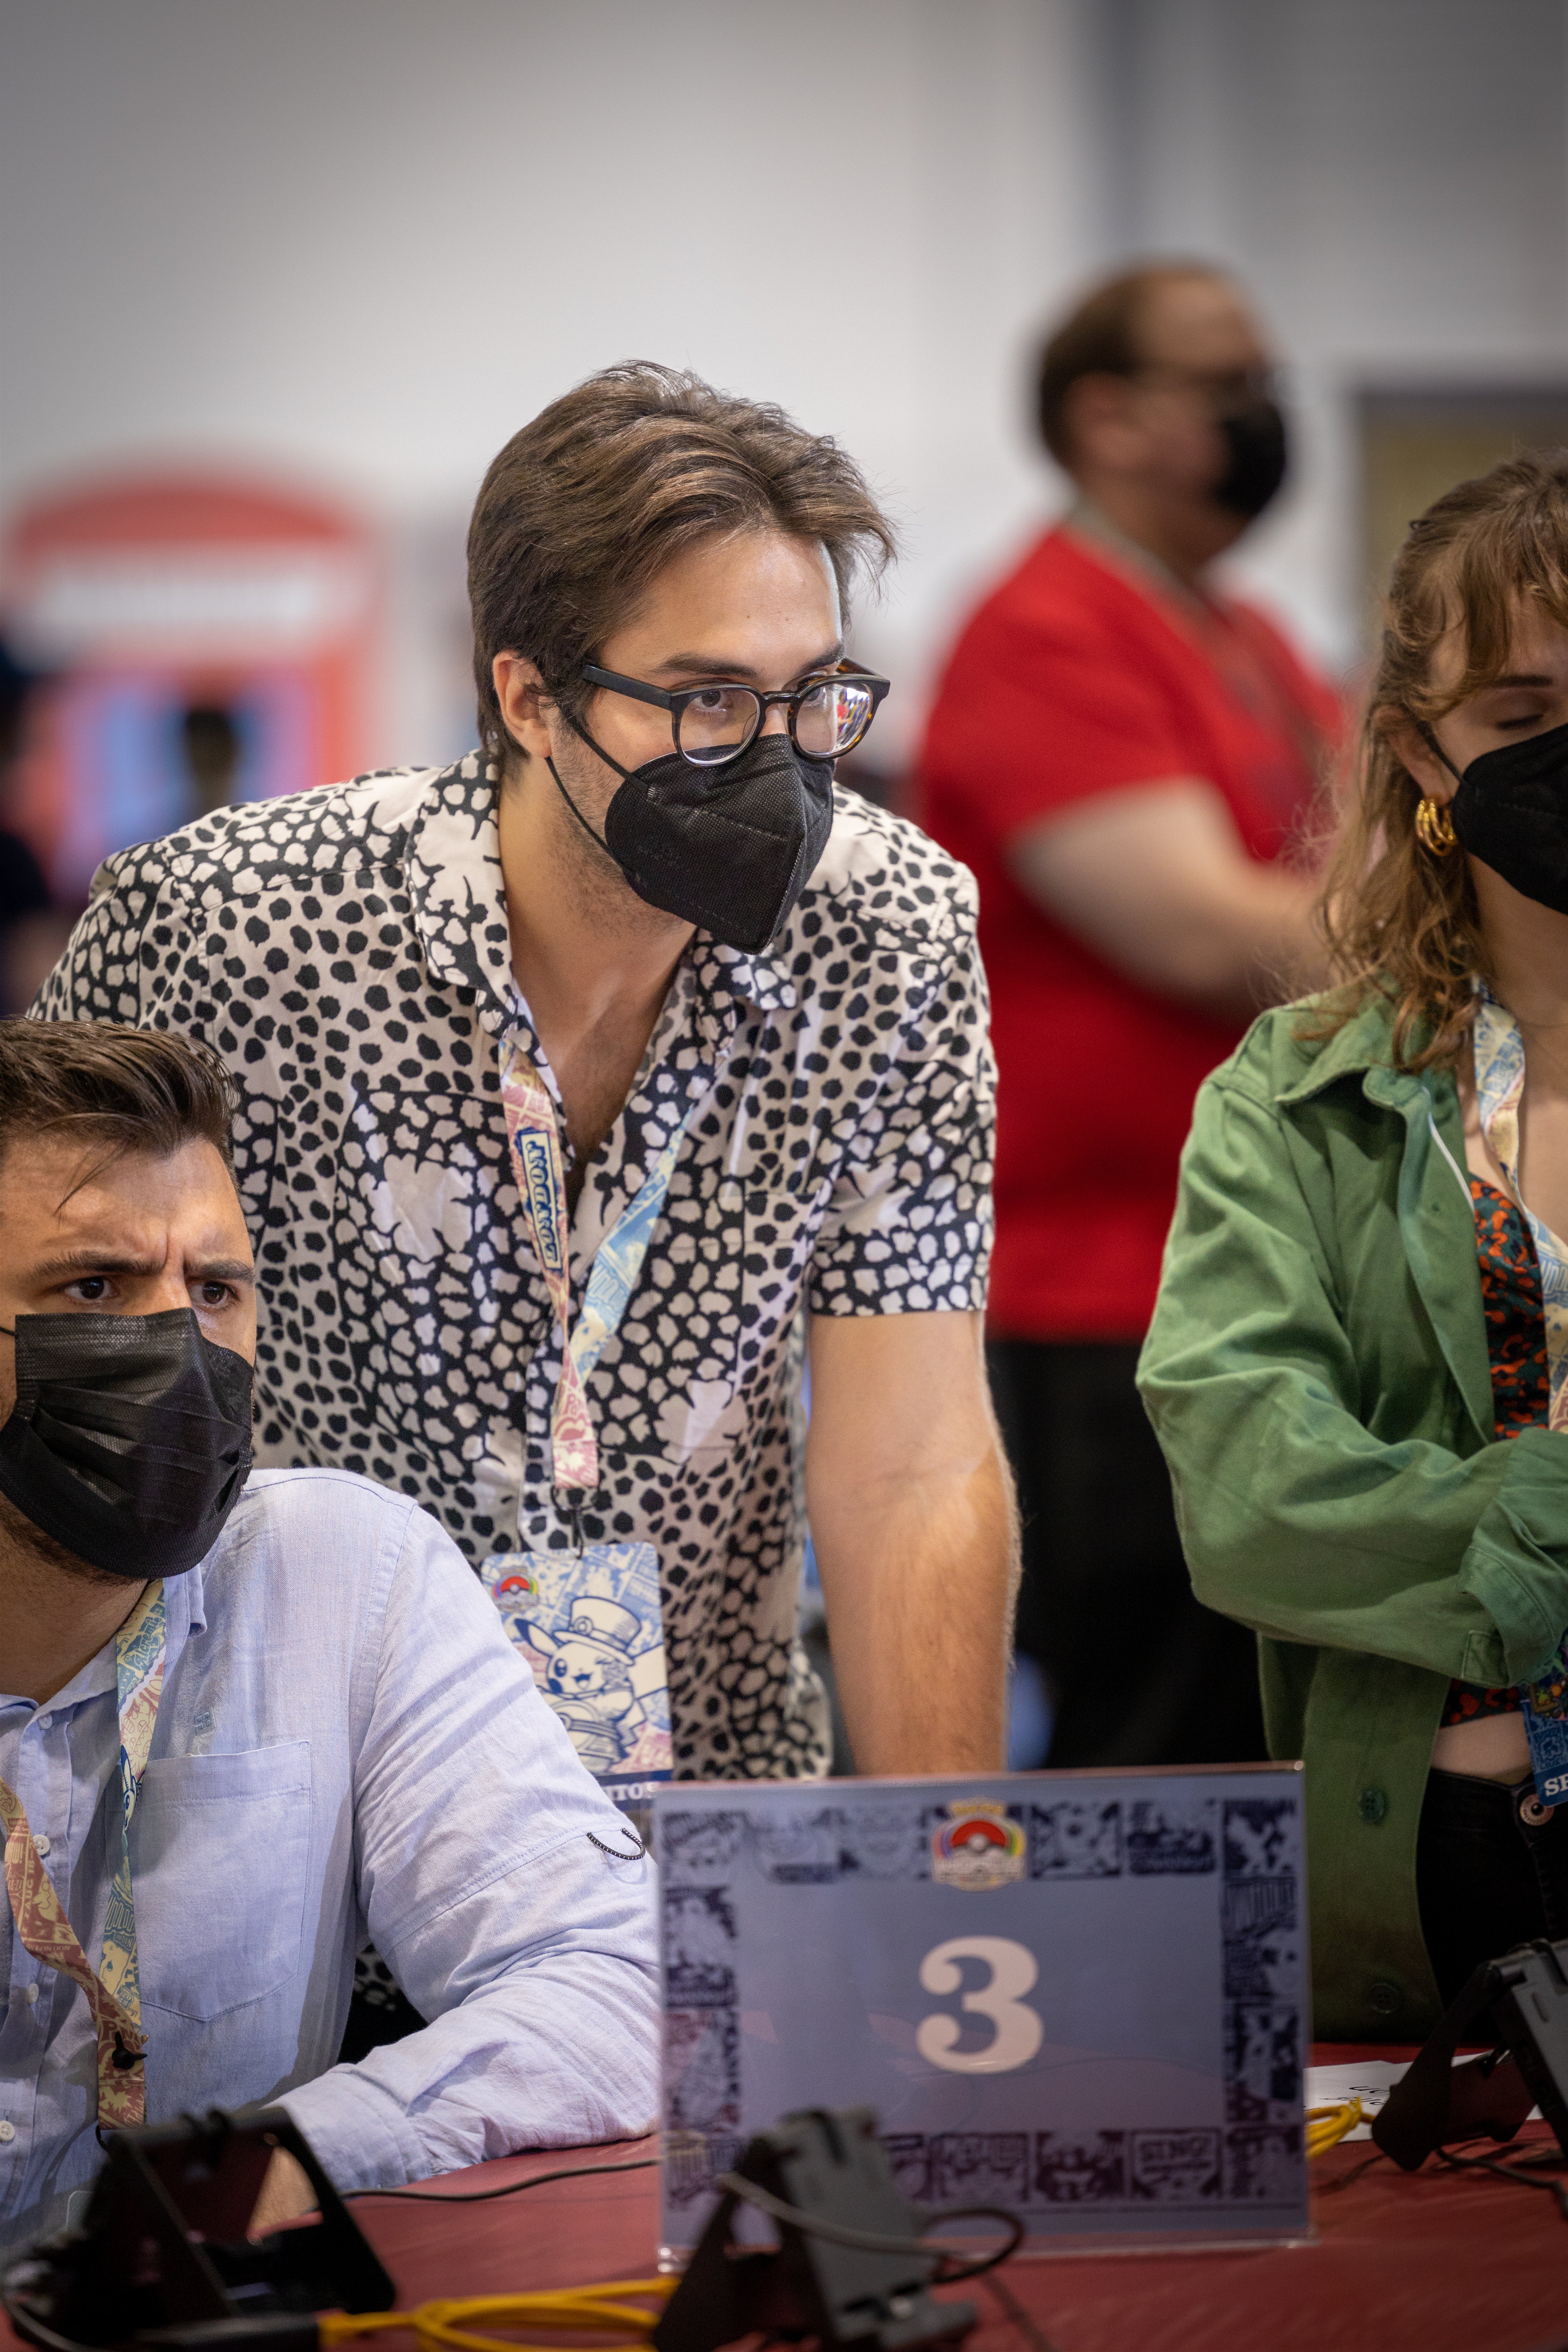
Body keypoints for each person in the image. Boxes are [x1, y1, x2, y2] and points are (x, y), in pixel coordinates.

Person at [37, 364, 1012, 1818]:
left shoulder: (886, 933)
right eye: (707, 702)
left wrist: (953, 1879)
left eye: (815, 698)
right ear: (531, 697)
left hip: (699, 1792)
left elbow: (912, 1462)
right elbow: (48, 1350)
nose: (780, 761)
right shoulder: (231, 927)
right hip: (285, 1793)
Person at [0, 1020, 658, 2254]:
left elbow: (612, 1982)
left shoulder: (342, 1576)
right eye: (92, 1288)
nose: (180, 1346)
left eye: (214, 1290)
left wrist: (272, 2168)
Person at [1140, 450, 1568, 2042]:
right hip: (1437, 1878)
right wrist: (1547, 1506)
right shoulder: (1292, 1095)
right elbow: (1248, 1487)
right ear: (1418, 755)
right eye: (1522, 719)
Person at [920, 261, 1339, 1770]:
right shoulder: (1046, 629)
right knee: (1155, 1737)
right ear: (1106, 417)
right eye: (1224, 381)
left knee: (1255, 1724)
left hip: (1252, 1274)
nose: (1262, 413)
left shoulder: (1245, 636)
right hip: (1105, 1298)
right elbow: (1196, 923)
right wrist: (1451, 933)